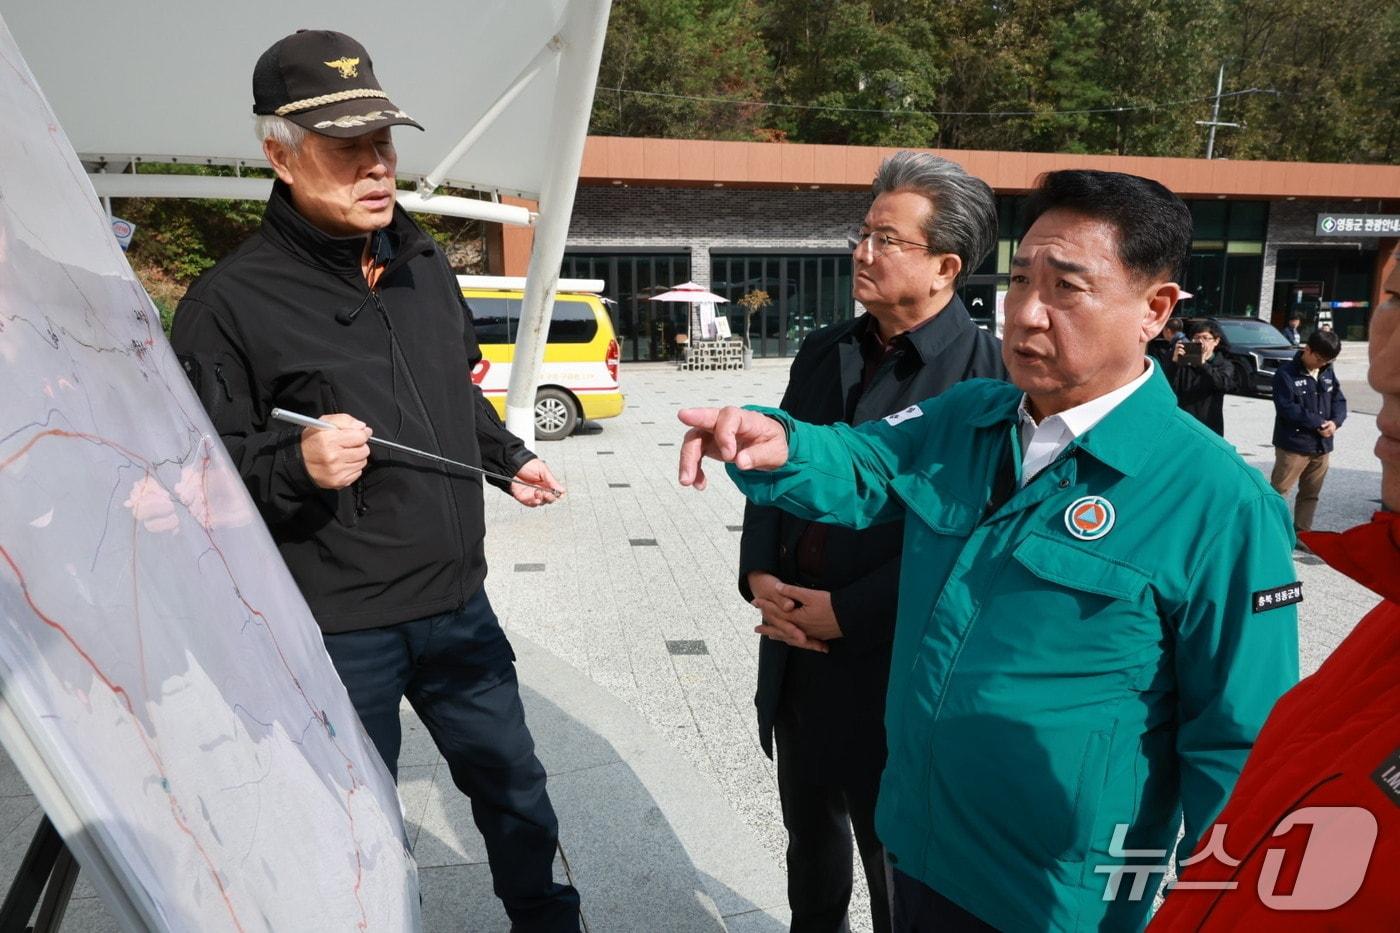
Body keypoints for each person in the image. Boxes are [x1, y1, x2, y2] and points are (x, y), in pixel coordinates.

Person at [677, 170, 1299, 932]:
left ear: (1155, 309)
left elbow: (1242, 757)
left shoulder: (1219, 504)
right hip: (918, 847)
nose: (1026, 313)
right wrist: (782, 443)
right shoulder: (972, 416)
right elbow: (865, 462)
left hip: (1053, 901)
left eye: (1066, 287)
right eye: (1020, 279)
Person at [170, 30, 579, 930]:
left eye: (384, 142)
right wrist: (297, 464)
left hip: (459, 606)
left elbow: (451, 396)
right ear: (279, 155)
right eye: (346, 146)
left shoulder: (423, 262)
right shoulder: (226, 302)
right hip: (337, 628)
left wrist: (509, 458)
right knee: (353, 824)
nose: (377, 166)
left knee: (517, 789)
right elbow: (193, 480)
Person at [740, 151, 1005, 933]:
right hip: (795, 655)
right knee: (810, 857)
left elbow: (969, 539)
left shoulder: (986, 381)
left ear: (946, 266)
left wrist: (848, 612)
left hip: (895, 670)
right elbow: (781, 469)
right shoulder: (826, 350)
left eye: (886, 239)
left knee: (899, 874)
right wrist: (760, 577)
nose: (862, 251)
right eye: (862, 233)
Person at [1151, 255, 1400, 928]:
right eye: (1394, 298)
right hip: (1282, 443)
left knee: (1296, 504)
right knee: (1280, 496)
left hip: (1291, 446)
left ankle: (1300, 535)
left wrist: (1332, 420)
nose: (1385, 368)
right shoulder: (1380, 633)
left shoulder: (1239, 510)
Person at [1269, 328, 1347, 534]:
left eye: (1328, 361)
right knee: (1278, 491)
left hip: (1322, 446)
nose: (1322, 364)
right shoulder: (1286, 374)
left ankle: (1303, 532)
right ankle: (1270, 531)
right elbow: (1287, 408)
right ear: (1307, 349)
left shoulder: (1327, 371)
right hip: (1294, 445)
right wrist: (1318, 423)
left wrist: (1335, 423)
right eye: (1319, 359)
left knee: (1311, 493)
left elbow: (1339, 400)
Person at [1162, 320, 1239, 435]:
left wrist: (1203, 364)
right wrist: (1173, 362)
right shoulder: (1183, 363)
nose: (1200, 341)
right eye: (1196, 337)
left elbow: (1222, 384)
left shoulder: (1224, 364)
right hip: (1183, 424)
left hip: (1209, 425)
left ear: (1216, 341)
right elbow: (1166, 386)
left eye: (1205, 338)